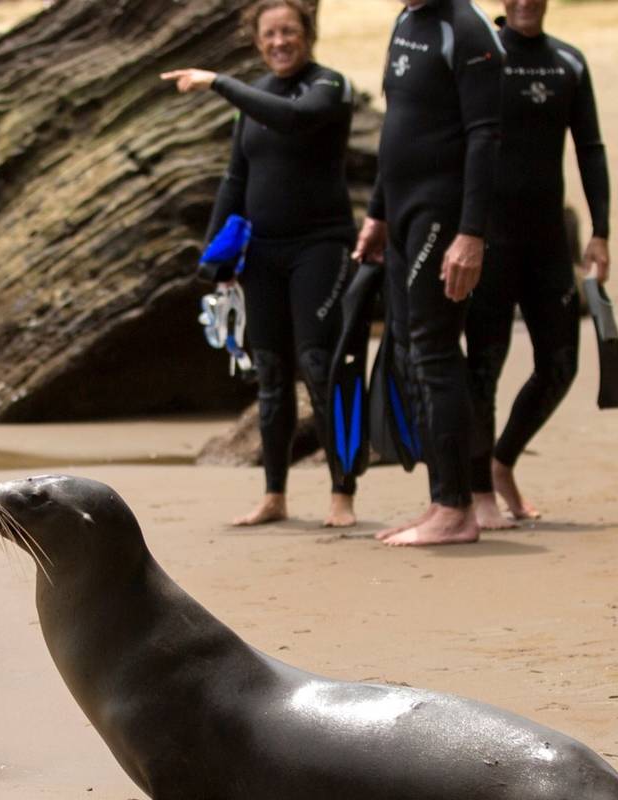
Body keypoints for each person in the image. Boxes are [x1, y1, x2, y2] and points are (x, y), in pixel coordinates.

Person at [162, 0, 358, 528]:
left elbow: (295, 121)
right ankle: (274, 495)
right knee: (271, 374)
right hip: (262, 254)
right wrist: (214, 255)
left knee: (320, 366)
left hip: (321, 246)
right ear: (257, 40)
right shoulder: (253, 99)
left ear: (307, 34)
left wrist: (218, 81)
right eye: (269, 34)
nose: (279, 42)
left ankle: (342, 493)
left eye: (289, 32)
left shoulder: (330, 87)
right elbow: (236, 179)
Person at [353, 0, 502, 547]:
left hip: (444, 213)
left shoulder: (464, 26)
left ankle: (456, 508)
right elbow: (399, 125)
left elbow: (486, 136)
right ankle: (444, 499)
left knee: (434, 348)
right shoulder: (406, 21)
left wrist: (471, 233)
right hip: (404, 214)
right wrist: (377, 211)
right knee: (413, 350)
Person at [464, 0, 610, 529]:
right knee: (483, 367)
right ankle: (479, 489)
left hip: (549, 240)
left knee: (561, 364)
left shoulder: (568, 62)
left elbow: (589, 148)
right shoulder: (480, 54)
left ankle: (502, 461)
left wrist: (601, 231)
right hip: (489, 238)